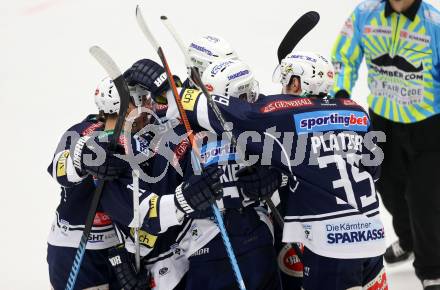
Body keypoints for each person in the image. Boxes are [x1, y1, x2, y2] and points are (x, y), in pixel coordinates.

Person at [149, 50, 388, 290]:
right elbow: (372, 170)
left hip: (331, 245)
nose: (283, 88)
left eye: (286, 81)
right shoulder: (356, 111)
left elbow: (232, 113)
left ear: (296, 82)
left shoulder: (288, 114)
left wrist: (174, 91)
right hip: (372, 237)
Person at [125, 58, 283, 289]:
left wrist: (276, 177)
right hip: (209, 249)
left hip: (259, 242)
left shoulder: (256, 129)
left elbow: (296, 171)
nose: (252, 100)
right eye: (245, 94)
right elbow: (154, 206)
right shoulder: (177, 137)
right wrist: (133, 251)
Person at [331, 0, 440, 288]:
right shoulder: (365, 13)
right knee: (385, 188)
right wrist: (341, 94)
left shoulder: (434, 23)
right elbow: (343, 55)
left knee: (423, 199)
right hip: (381, 120)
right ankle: (408, 238)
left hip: (428, 124)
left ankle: (432, 269)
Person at [47, 76, 150, 290]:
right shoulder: (82, 131)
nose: (149, 110)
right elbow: (58, 169)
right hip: (75, 247)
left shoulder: (141, 139)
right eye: (143, 102)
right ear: (127, 106)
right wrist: (82, 159)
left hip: (119, 250)